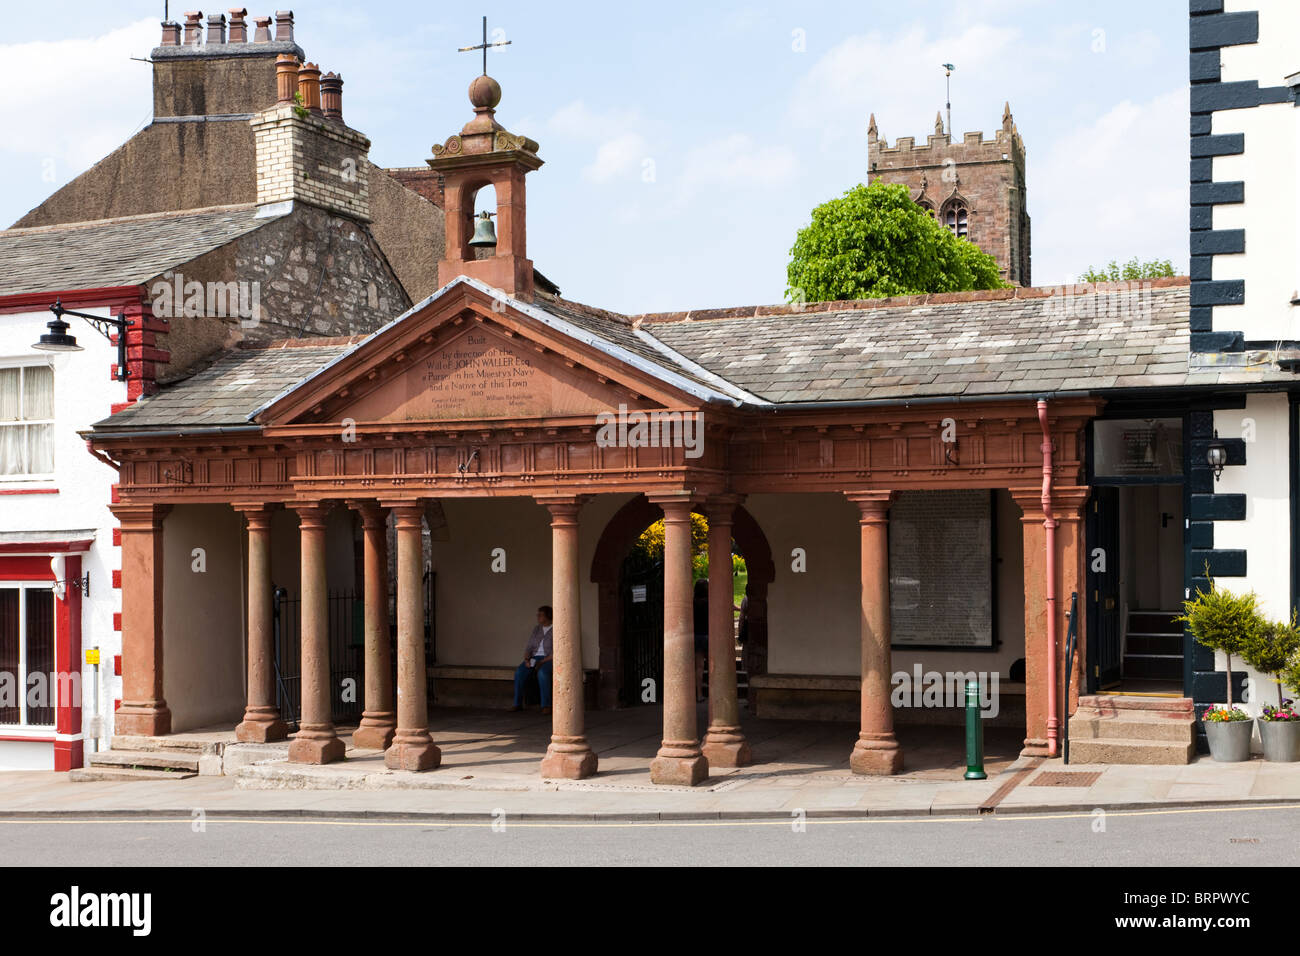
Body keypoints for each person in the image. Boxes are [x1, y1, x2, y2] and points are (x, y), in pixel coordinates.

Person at [511, 605, 554, 713]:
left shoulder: (556, 629)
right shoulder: (537, 629)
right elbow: (529, 646)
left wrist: (542, 662)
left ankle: (546, 705)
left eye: (541, 615)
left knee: (543, 673)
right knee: (519, 672)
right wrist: (527, 660)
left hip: (549, 658)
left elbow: (557, 651)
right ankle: (517, 704)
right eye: (537, 615)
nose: (538, 617)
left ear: (548, 616)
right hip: (534, 658)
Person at [693, 579, 709, 702]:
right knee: (711, 666)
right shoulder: (708, 603)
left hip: (695, 636)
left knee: (697, 667)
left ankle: (698, 694)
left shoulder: (692, 603)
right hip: (706, 636)